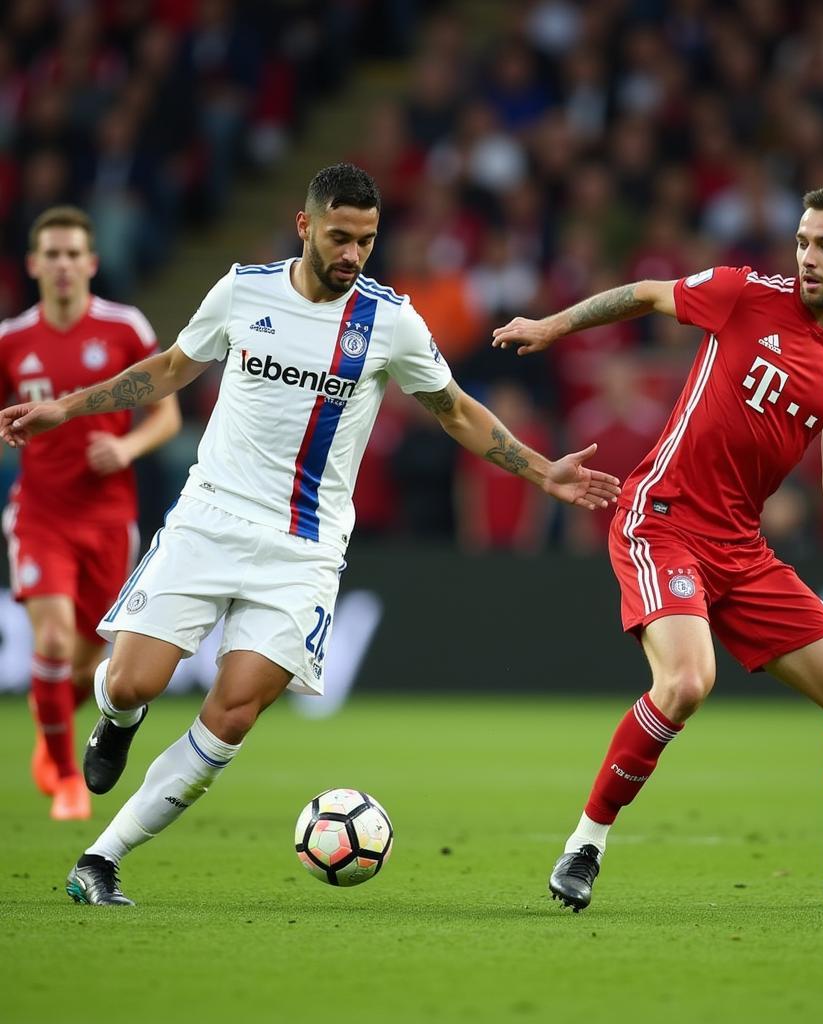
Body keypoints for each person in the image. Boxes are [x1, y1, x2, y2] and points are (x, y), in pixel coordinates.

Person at [0, 163, 620, 906]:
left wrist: (541, 470)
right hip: (210, 520)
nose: (352, 253)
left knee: (230, 715)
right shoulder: (243, 290)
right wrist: (65, 410)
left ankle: (101, 858)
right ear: (305, 226)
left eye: (365, 239)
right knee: (131, 680)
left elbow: (454, 408)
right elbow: (169, 370)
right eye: (338, 236)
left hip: (304, 551)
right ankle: (116, 717)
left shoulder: (390, 321)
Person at [493, 185, 823, 911]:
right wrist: (554, 325)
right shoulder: (743, 293)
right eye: (802, 240)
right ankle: (585, 844)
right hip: (661, 521)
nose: (807, 256)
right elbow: (644, 292)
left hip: (741, 548)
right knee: (685, 684)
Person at [0, 206, 181, 822]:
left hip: (108, 520)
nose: (63, 265)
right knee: (48, 639)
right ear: (33, 264)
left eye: (73, 253)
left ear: (92, 263)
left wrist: (126, 446)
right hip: (40, 514)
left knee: (82, 667)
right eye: (51, 254)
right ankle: (63, 775)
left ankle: (52, 729)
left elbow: (168, 413)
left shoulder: (124, 328)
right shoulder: (11, 340)